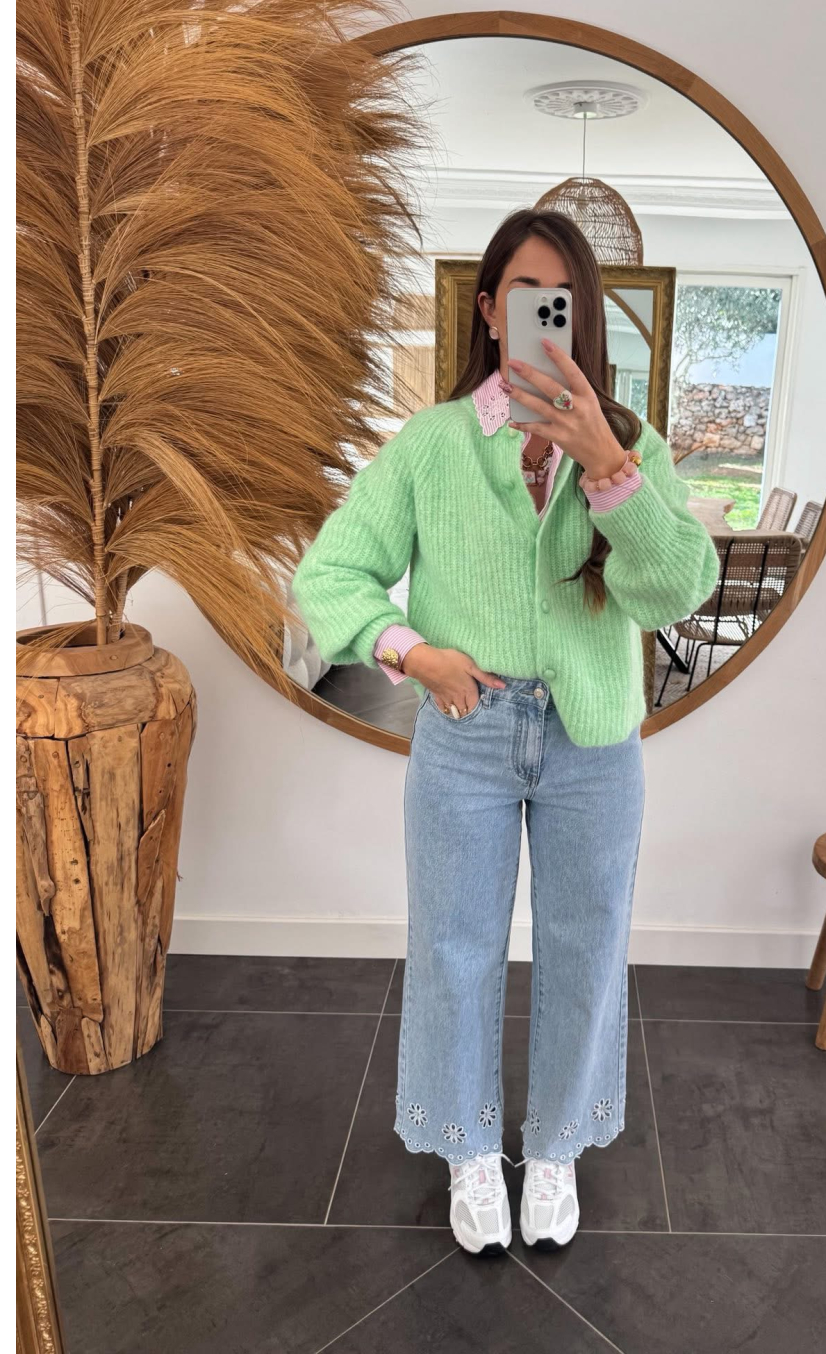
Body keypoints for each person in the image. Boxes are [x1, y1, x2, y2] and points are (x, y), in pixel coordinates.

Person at [292, 208, 720, 1256]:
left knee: (586, 945)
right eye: (524, 295)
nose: (542, 315)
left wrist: (610, 471)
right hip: (466, 729)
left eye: (560, 301)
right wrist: (412, 652)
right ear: (489, 310)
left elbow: (676, 590)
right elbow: (329, 574)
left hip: (594, 740)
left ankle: (558, 1147)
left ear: (583, 318)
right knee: (454, 947)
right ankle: (470, 1149)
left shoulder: (630, 445)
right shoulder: (433, 445)